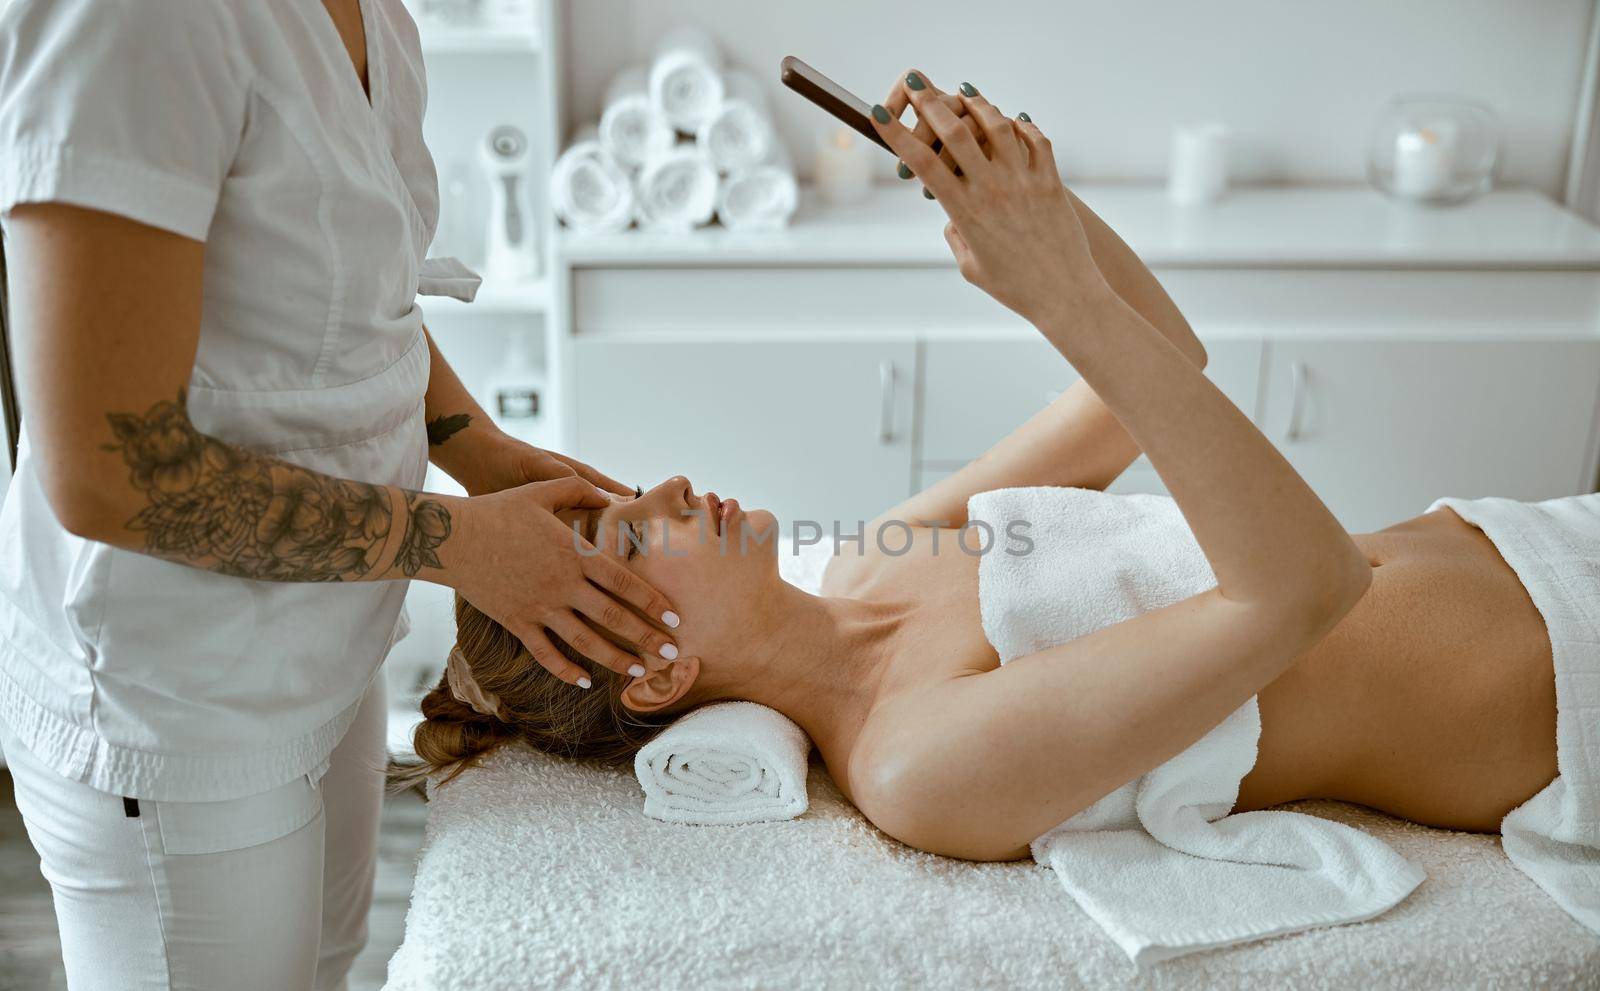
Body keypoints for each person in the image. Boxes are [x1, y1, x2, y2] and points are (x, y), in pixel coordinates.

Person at [398, 74, 1564, 872]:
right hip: (1566, 697)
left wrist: (1018, 202)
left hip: (1531, 536)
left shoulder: (875, 558)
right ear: (657, 672)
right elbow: (1305, 587)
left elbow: (1154, 361)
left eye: (618, 495)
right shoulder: (915, 760)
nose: (654, 491)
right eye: (631, 537)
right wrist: (1052, 294)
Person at [0, 1, 681, 991]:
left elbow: (365, 301)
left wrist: (475, 445)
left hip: (327, 630)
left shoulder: (370, 14)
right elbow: (107, 469)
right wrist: (454, 541)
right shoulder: (130, 23)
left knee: (317, 985)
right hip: (179, 684)